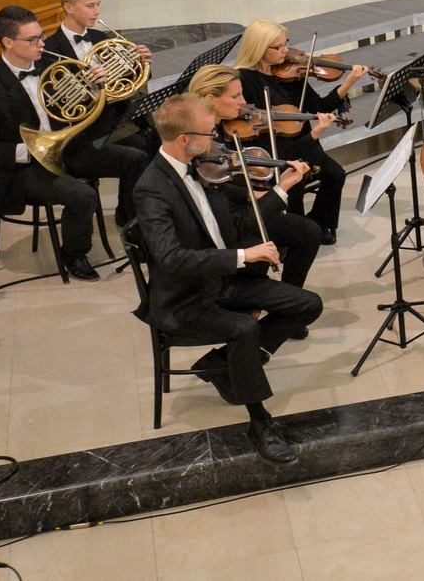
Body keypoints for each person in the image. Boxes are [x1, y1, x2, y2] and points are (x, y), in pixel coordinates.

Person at [133, 94, 322, 464]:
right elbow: (171, 259)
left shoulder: (204, 167)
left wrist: (283, 187)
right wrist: (243, 256)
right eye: (209, 132)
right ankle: (260, 422)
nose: (217, 139)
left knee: (307, 305)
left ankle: (222, 364)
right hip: (187, 298)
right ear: (183, 139)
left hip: (223, 281)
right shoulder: (150, 188)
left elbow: (238, 225)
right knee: (244, 330)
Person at [0, 5, 129, 282]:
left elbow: (76, 107)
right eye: (33, 40)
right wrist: (29, 151)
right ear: (8, 42)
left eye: (40, 36)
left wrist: (97, 87)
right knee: (83, 195)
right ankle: (74, 254)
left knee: (134, 159)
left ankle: (131, 224)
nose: (42, 43)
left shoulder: (50, 65)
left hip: (66, 150)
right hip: (23, 170)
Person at [187, 64, 324, 291]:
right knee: (263, 247)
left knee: (308, 231)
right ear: (210, 98)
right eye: (235, 96)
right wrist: (251, 195)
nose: (243, 102)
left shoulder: (228, 126)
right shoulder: (196, 136)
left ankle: (291, 296)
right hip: (220, 219)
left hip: (238, 205)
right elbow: (204, 184)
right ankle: (248, 297)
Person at [235, 20, 363, 246]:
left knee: (335, 174)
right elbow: (250, 126)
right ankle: (295, 234)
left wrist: (350, 80)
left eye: (286, 43)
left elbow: (319, 106)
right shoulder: (245, 79)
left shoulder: (290, 73)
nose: (286, 51)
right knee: (295, 184)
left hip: (304, 142)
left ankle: (319, 223)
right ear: (259, 48)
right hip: (274, 149)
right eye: (278, 47)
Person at [43, 0, 156, 157]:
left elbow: (130, 81)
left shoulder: (99, 38)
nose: (97, 11)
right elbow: (57, 104)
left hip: (120, 119)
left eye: (98, 4)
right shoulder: (50, 50)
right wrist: (88, 85)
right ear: (68, 8)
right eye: (90, 6)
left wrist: (141, 64)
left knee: (161, 141)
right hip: (88, 130)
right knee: (140, 154)